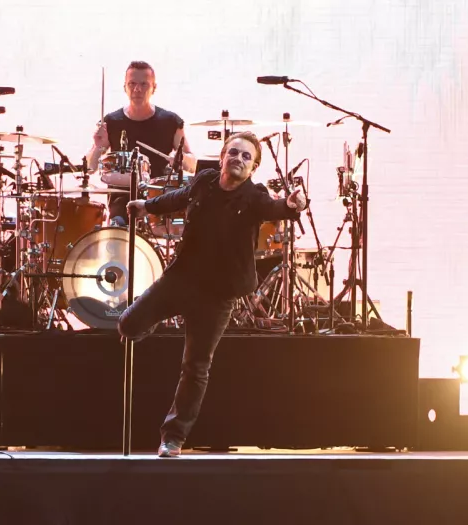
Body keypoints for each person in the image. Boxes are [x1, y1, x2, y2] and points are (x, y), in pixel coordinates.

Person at [118, 131, 307, 457]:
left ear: (253, 167)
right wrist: (147, 205)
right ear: (222, 157)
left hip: (219, 294)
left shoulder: (254, 197)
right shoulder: (204, 181)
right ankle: (152, 321)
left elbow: (276, 208)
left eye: (246, 156)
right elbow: (178, 197)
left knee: (196, 367)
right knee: (128, 324)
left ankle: (173, 438)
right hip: (181, 279)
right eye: (233, 152)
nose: (238, 159)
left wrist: (291, 206)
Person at [86, 60, 197, 226]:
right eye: (132, 84)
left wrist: (181, 159)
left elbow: (193, 165)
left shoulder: (170, 121)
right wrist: (98, 146)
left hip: (158, 199)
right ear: (125, 87)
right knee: (116, 227)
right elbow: (90, 167)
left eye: (144, 84)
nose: (137, 89)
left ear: (154, 88)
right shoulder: (111, 121)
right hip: (121, 198)